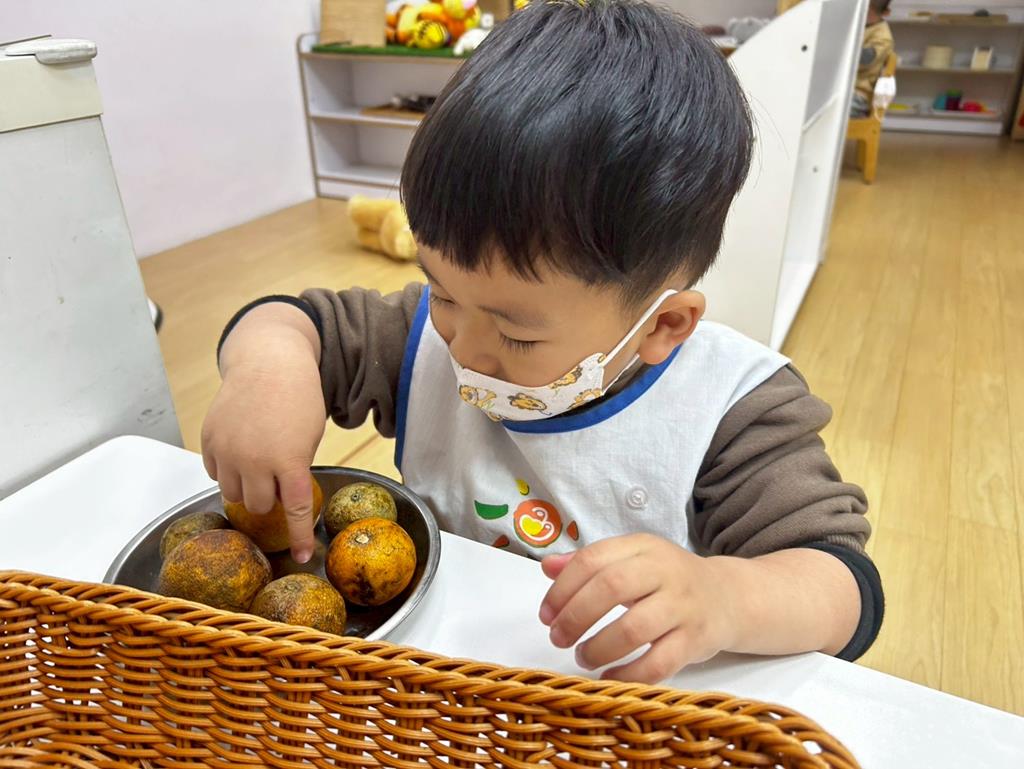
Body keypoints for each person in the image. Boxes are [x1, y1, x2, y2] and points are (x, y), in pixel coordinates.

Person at [204, 0, 883, 684]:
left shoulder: (733, 407)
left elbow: (840, 584)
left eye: (517, 334)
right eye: (442, 290)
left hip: (614, 707)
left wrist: (726, 598)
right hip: (427, 688)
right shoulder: (420, 334)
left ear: (661, 325)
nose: (462, 348)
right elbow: (298, 322)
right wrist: (268, 365)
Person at [851, 0, 895, 117]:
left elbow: (866, 59)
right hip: (844, 88)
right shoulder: (860, 26)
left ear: (886, 13)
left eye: (868, 13)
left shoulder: (883, 36)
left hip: (858, 94)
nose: (864, 15)